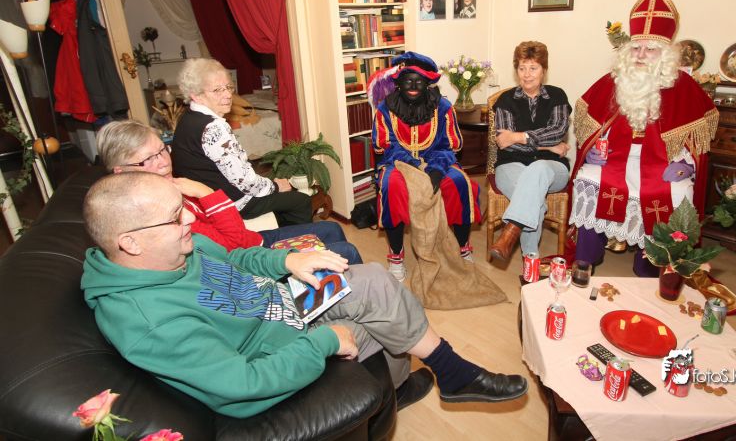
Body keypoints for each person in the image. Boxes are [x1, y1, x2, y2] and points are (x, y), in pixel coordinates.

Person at [81, 172, 528, 418]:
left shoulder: (176, 248)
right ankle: (442, 377)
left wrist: (287, 261)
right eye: (174, 217)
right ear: (130, 242)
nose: (188, 222)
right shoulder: (150, 321)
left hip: (281, 306)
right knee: (380, 317)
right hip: (274, 349)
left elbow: (236, 259)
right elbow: (243, 384)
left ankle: (437, 377)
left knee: (374, 279)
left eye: (182, 210)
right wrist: (325, 341)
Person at [569, 0, 718, 276]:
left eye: (650, 49)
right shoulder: (615, 80)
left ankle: (650, 268)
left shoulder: (684, 87)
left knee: (677, 192)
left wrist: (686, 165)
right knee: (588, 178)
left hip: (662, 164)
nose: (639, 55)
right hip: (614, 159)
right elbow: (588, 120)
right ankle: (585, 260)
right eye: (636, 48)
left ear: (664, 55)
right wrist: (592, 152)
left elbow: (698, 137)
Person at [96, 119, 362, 264]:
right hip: (247, 259)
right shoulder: (157, 210)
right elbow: (233, 246)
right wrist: (206, 193)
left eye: (162, 150)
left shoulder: (172, 184)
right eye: (148, 159)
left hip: (251, 240)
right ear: (121, 171)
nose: (163, 162)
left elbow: (235, 231)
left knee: (332, 229)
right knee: (345, 251)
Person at [370, 51, 481, 281]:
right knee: (391, 187)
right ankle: (396, 257)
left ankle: (463, 248)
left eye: (419, 81)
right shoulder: (384, 109)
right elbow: (384, 146)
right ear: (398, 83)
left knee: (460, 183)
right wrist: (413, 164)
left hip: (437, 160)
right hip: (398, 162)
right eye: (407, 80)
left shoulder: (443, 107)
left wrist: (437, 168)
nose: (413, 86)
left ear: (428, 83)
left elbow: (451, 145)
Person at [172, 58, 312, 225]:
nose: (227, 95)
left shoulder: (188, 117)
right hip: (230, 203)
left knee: (278, 193)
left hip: (207, 199)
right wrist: (275, 186)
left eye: (228, 87)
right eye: (217, 90)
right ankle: (292, 239)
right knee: (300, 201)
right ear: (196, 96)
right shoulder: (213, 127)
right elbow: (245, 183)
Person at [488, 41, 571, 262]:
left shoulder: (557, 96)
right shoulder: (506, 100)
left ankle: (510, 231)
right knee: (534, 201)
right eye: (522, 68)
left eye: (533, 68)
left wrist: (520, 136)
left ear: (544, 70)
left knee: (539, 167)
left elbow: (558, 130)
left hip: (552, 169)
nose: (527, 74)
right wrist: (549, 145)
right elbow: (504, 143)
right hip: (510, 165)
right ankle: (531, 260)